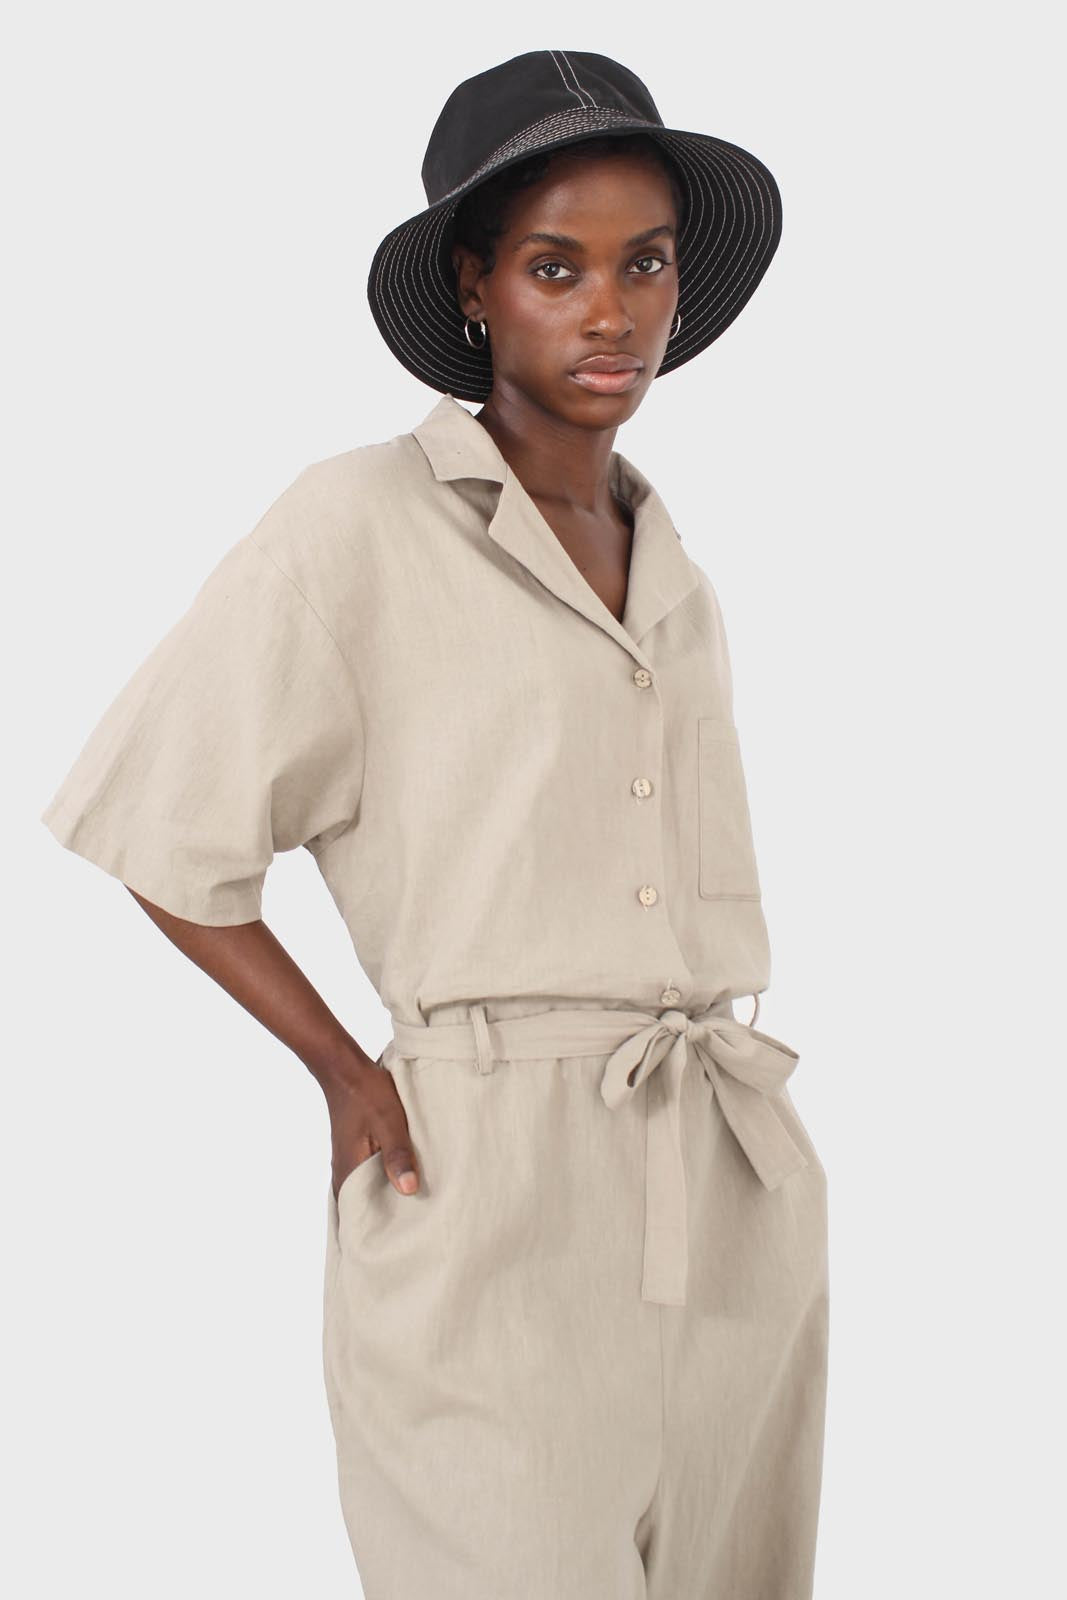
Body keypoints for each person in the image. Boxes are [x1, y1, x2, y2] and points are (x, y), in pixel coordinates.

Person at [40, 48, 829, 1600]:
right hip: (484, 1182)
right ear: (476, 285)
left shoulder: (677, 573)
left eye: (644, 263)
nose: (610, 311)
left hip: (730, 1172)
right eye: (556, 266)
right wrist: (344, 1072)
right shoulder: (356, 525)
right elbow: (158, 820)